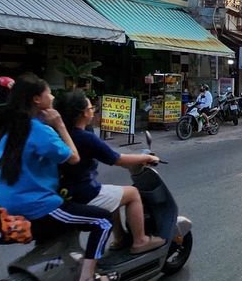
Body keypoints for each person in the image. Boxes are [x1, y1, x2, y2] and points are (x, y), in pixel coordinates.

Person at [0, 74, 115, 281]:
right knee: (103, 221)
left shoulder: (10, 128)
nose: (52, 97)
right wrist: (59, 124)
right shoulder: (40, 130)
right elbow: (73, 158)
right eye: (49, 93)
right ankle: (87, 280)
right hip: (37, 205)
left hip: (8, 203)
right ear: (37, 99)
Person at [56, 90, 165, 254]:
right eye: (91, 108)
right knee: (133, 193)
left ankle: (120, 238)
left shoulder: (63, 136)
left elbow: (108, 154)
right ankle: (140, 241)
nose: (93, 111)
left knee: (113, 193)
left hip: (68, 193)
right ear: (84, 113)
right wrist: (147, 157)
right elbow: (117, 159)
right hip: (85, 194)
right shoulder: (85, 137)